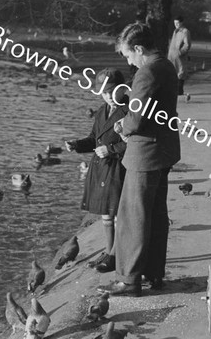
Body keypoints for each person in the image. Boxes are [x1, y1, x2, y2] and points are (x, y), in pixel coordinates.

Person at [97, 23, 181, 297]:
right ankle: (154, 272)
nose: (127, 61)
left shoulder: (147, 72)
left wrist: (121, 126)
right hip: (164, 150)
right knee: (156, 215)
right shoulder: (167, 65)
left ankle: (129, 279)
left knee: (132, 217)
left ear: (139, 49)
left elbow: (136, 118)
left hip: (144, 153)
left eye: (128, 55)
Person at [65, 68, 128, 273]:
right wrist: (77, 145)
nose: (108, 96)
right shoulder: (102, 110)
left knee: (117, 215)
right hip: (101, 168)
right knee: (106, 216)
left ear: (121, 89)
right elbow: (94, 138)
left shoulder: (129, 110)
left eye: (112, 91)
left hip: (118, 167)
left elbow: (136, 142)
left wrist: (110, 150)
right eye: (104, 92)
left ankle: (115, 255)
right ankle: (109, 251)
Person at [167, 15, 192, 99]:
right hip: (171, 57)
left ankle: (181, 93)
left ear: (181, 23)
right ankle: (175, 92)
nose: (176, 25)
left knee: (180, 73)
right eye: (175, 23)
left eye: (177, 23)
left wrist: (180, 52)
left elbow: (187, 45)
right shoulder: (175, 31)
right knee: (172, 73)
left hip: (179, 57)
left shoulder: (185, 31)